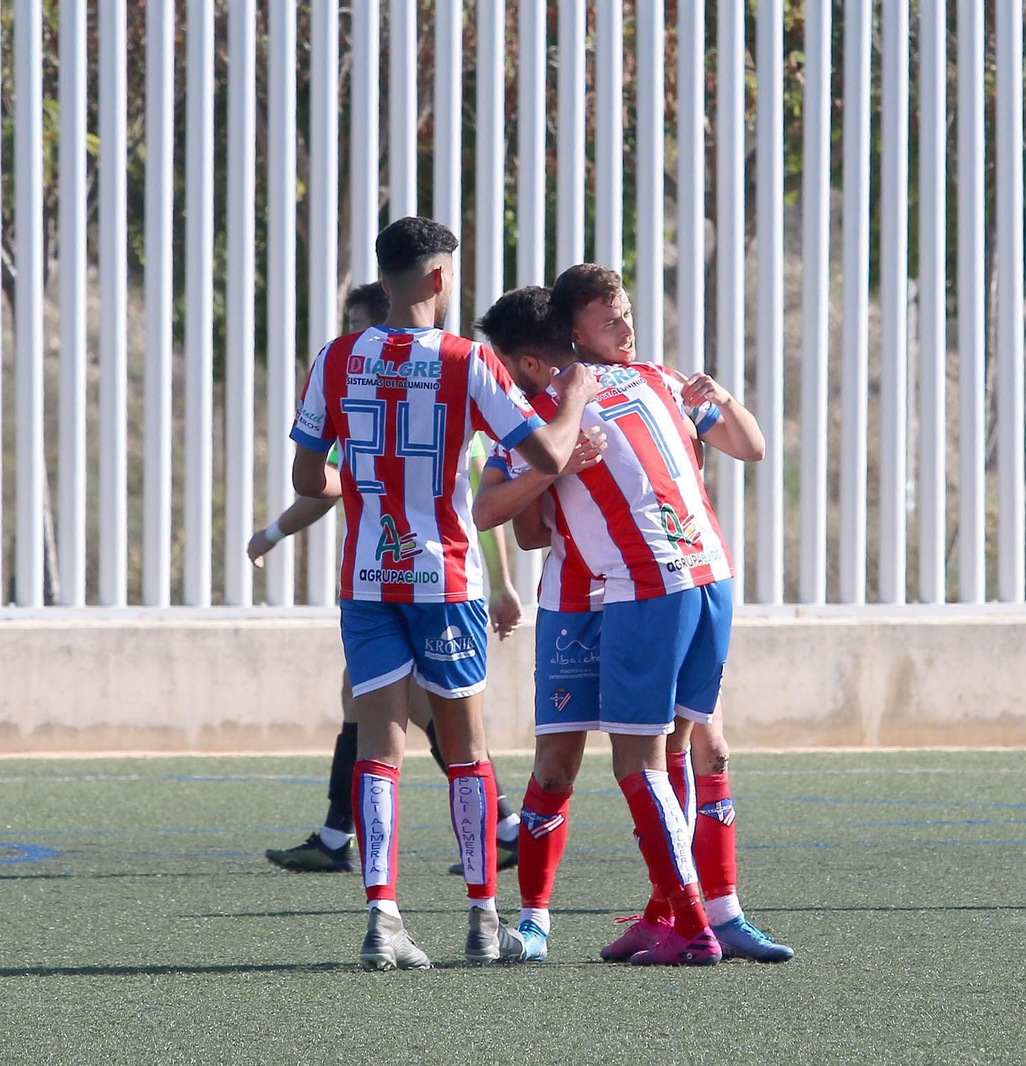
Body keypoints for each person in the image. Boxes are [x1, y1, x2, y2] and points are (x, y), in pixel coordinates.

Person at [289, 216, 597, 970]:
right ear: (438, 280)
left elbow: (306, 481)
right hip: (445, 578)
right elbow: (549, 452)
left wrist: (357, 481)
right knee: (467, 754)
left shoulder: (335, 359)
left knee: (379, 751)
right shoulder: (467, 362)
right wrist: (579, 391)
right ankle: (483, 919)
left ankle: (383, 919)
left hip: (367, 580)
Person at [474, 277, 788, 965]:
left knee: (676, 751)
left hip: (653, 586)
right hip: (579, 602)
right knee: (559, 764)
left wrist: (721, 397)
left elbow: (748, 445)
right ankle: (538, 923)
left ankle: (696, 917)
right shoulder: (538, 415)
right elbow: (520, 528)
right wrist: (553, 467)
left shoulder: (652, 378)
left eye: (626, 314)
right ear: (571, 336)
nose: (626, 325)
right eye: (610, 318)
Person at [258, 280, 524, 876]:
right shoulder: (459, 373)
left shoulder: (348, 368)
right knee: (396, 715)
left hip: (386, 579)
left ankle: (481, 838)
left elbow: (483, 508)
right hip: (433, 580)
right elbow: (506, 484)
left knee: (407, 726)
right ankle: (468, 888)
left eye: (358, 326)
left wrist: (504, 584)